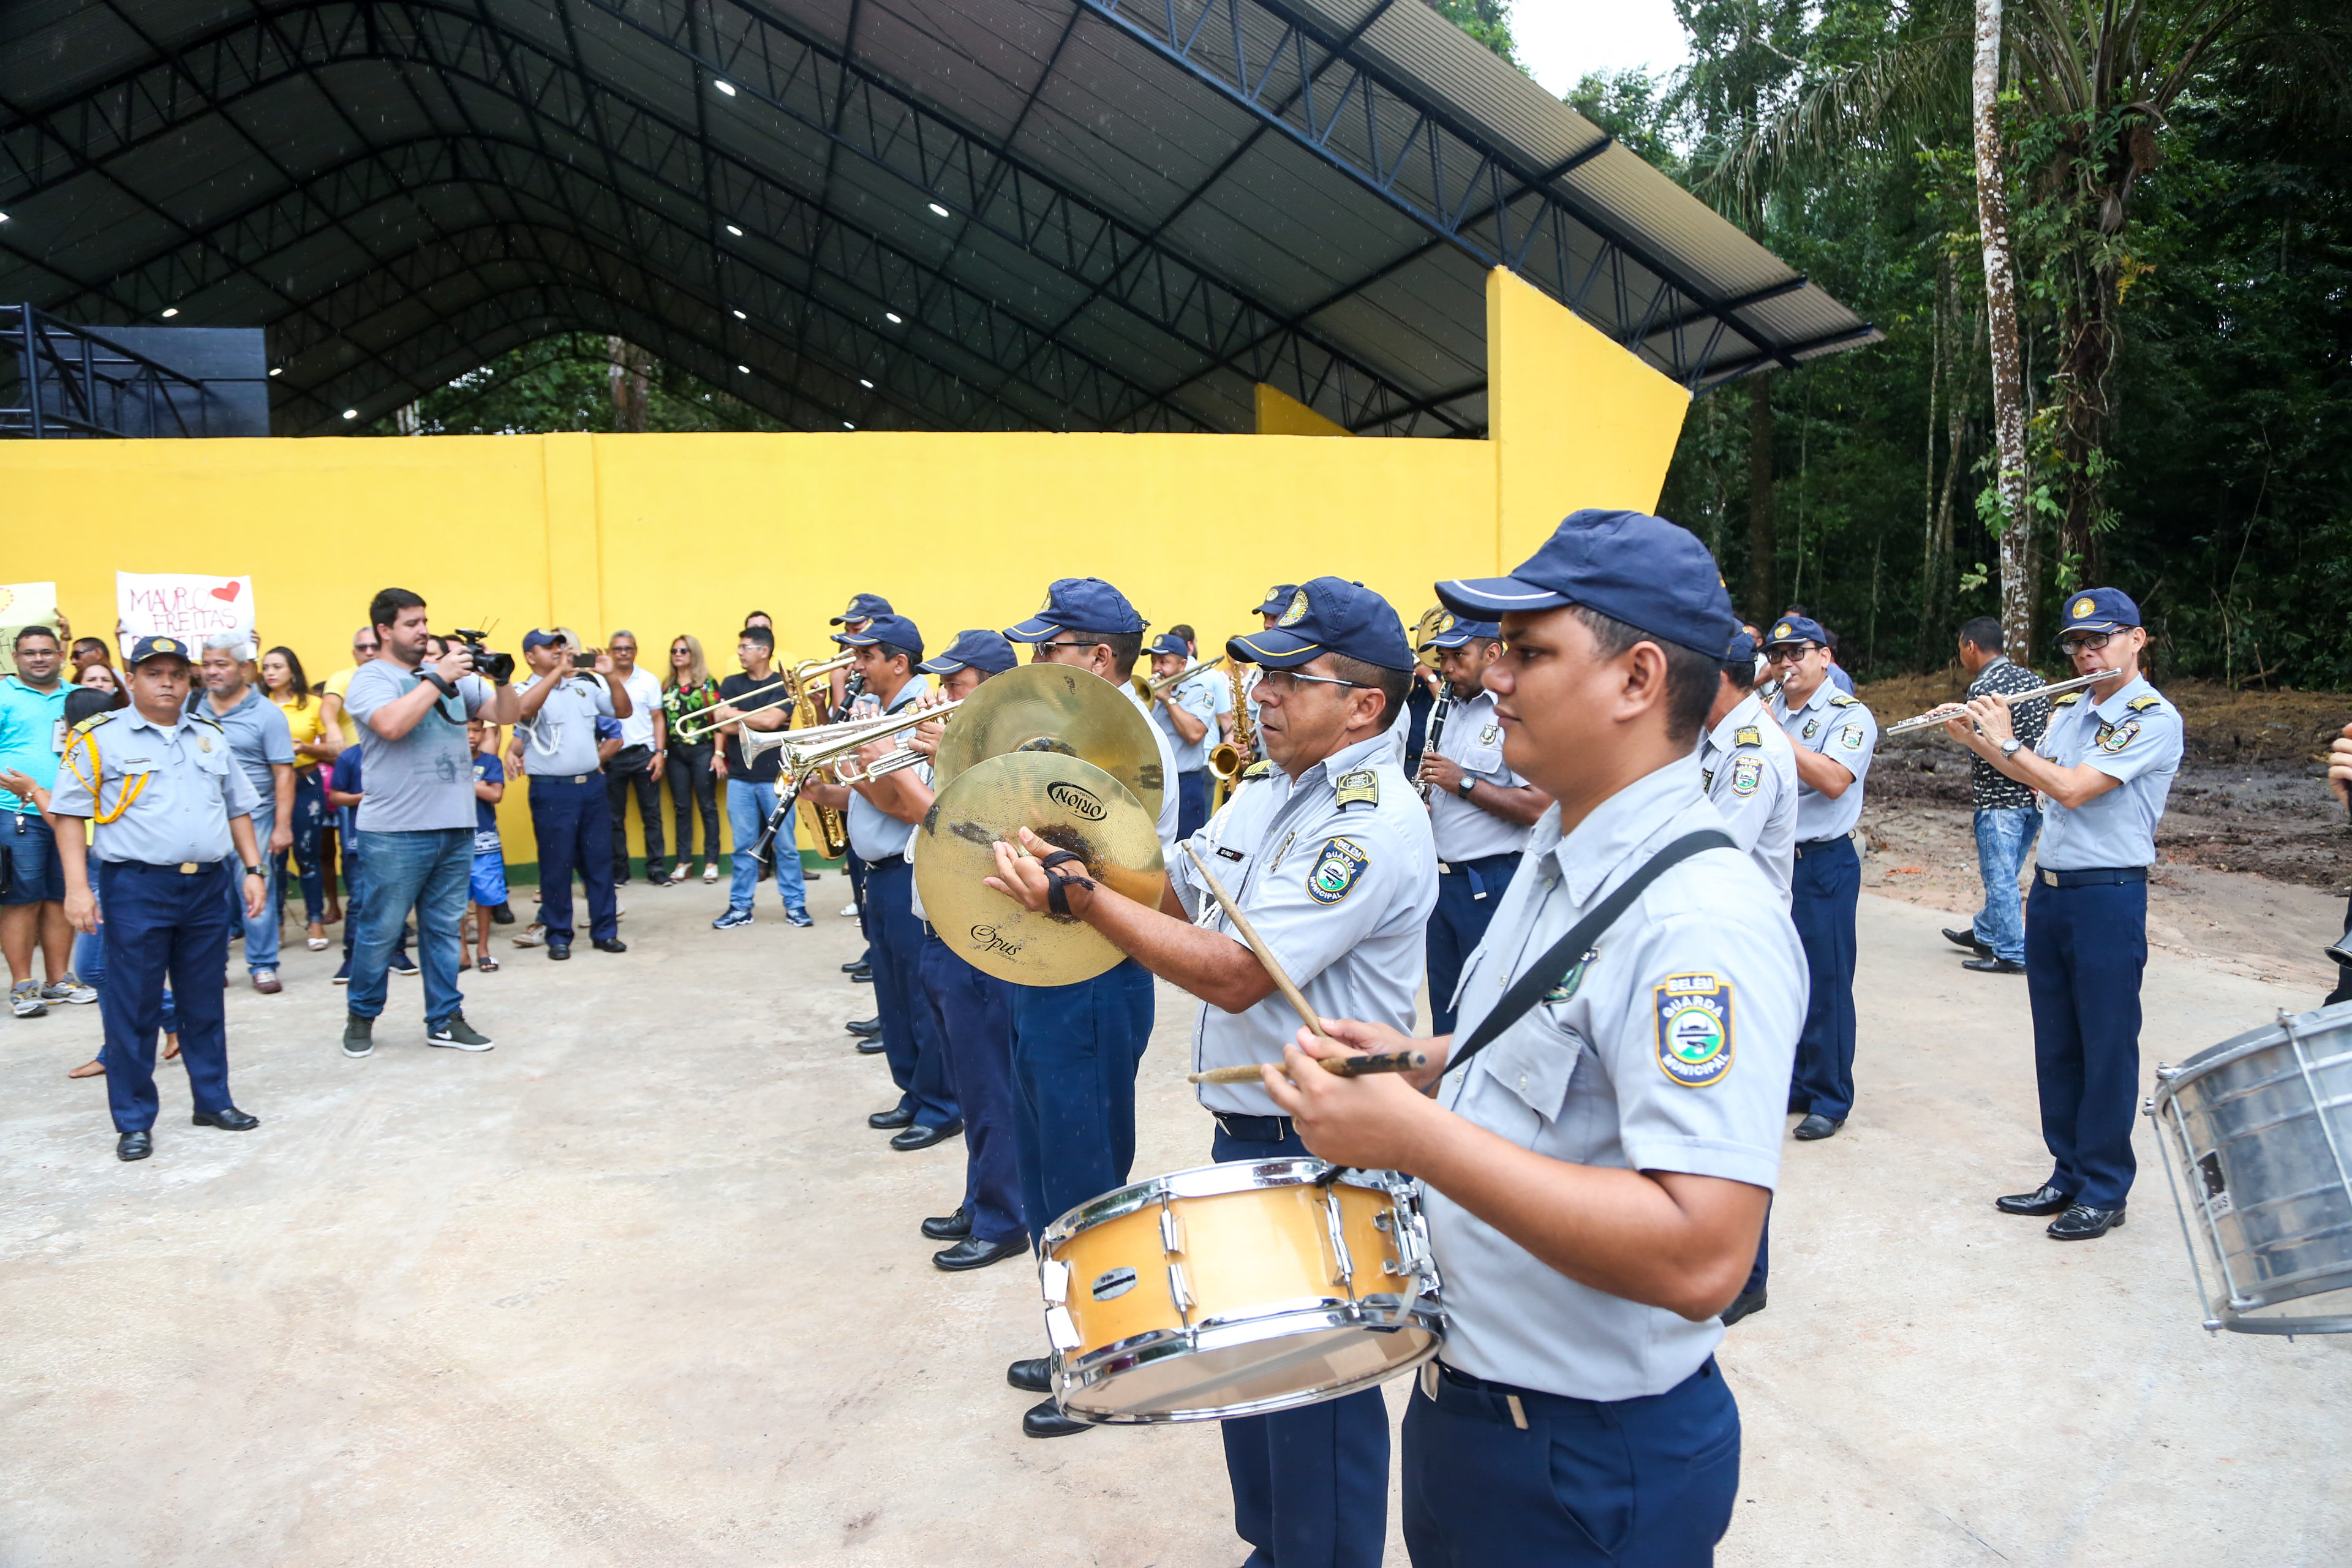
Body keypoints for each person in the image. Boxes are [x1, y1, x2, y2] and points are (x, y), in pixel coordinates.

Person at [1263, 510, 1803, 1568]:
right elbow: (1549, 1057)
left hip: (1582, 1459)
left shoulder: (1697, 919)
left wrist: (1411, 1137)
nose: (1495, 678)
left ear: (1639, 678)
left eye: (1530, 652)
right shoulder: (1568, 846)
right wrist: (1413, 1063)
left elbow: (1703, 1253)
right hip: (1479, 1415)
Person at [986, 575, 1434, 1553]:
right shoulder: (1270, 790)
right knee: (1255, 1385)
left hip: (1327, 1144)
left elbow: (1237, 975)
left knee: (1316, 1399)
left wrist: (1082, 901)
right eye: (1264, 674)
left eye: (1291, 679)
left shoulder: (1366, 822)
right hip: (1254, 1132)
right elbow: (1180, 893)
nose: (1262, 693)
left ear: (1364, 705)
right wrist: (1078, 853)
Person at [990, 576, 1181, 1441]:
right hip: (1051, 968)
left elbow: (1104, 862)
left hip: (1097, 973)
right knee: (1045, 1171)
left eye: (1052, 647)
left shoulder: (1122, 743)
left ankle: (1115, 1367)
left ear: (1099, 658)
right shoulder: (1072, 733)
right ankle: (1074, 1340)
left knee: (1085, 1177)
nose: (1036, 661)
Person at [1951, 589, 2182, 1242]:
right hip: (2053, 892)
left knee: (2105, 1044)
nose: (2085, 653)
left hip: (2107, 894)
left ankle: (2105, 1188)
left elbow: (2074, 789)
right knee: (2057, 1043)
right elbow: (2038, 779)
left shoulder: (2151, 716)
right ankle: (2068, 1171)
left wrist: (2004, 738)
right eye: (2077, 644)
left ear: (2136, 640)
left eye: (2099, 639)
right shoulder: (2073, 708)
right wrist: (1975, 737)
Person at [48, 636, 277, 1162]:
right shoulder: (99, 737)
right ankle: (133, 1121)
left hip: (206, 886)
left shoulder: (209, 736)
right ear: (131, 680)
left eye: (176, 673)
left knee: (204, 1001)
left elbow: (238, 807)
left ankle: (213, 1101)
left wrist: (253, 869)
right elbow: (70, 815)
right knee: (134, 1005)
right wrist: (78, 889)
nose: (167, 683)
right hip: (137, 887)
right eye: (154, 674)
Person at [804, 614, 961, 1145]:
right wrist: (827, 791)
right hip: (878, 871)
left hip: (908, 868)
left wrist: (857, 767)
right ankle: (913, 1093)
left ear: (898, 663)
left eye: (866, 656)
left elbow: (903, 805)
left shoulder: (920, 716)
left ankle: (940, 1106)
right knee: (892, 995)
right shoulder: (878, 710)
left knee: (920, 999)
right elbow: (873, 796)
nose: (856, 666)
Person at [900, 630, 1028, 1270]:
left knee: (990, 1087)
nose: (942, 693)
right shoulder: (960, 743)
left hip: (974, 940)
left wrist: (946, 761)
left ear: (991, 689)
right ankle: (980, 1200)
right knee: (970, 1086)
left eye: (956, 683)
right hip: (937, 933)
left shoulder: (1010, 754)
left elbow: (982, 834)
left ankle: (1004, 1217)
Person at [340, 589, 516, 1057]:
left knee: (443, 929)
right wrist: (439, 677)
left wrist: (501, 680)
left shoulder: (447, 677)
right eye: (412, 623)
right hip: (394, 832)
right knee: (381, 931)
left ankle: (445, 1019)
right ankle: (361, 1016)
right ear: (384, 631)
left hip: (455, 826)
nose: (423, 630)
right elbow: (391, 725)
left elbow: (509, 714)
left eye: (425, 621)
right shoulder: (371, 678)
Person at [1764, 613, 1877, 1142]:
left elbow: (1833, 779)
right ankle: (1797, 1082)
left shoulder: (1848, 715)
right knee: (1781, 979)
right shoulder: (1770, 708)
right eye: (1777, 655)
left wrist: (1770, 733)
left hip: (1822, 860)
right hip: (1775, 861)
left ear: (1825, 658)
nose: (1786, 663)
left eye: (1797, 653)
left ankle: (1830, 1096)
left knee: (1825, 981)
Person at [1414, 612, 1550, 1035]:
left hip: (1491, 881)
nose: (1447, 668)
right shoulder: (1445, 706)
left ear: (1492, 653)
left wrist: (1464, 783)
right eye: (1442, 658)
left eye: (1459, 656)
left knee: (1489, 1015)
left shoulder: (1517, 710)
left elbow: (1540, 806)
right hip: (1442, 884)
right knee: (1446, 1017)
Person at [1936, 616, 2048, 976]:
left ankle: (2011, 952)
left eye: (1961, 649)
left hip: (1998, 800)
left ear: (1971, 647)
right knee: (2007, 873)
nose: (1961, 657)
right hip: (2035, 794)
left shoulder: (1984, 688)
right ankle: (1986, 932)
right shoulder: (2034, 680)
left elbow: (1989, 745)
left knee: (2000, 879)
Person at [510, 630, 629, 962]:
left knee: (599, 863)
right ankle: (559, 935)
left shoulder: (584, 686)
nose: (557, 651)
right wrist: (557, 673)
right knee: (556, 866)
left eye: (560, 646)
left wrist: (611, 677)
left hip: (591, 786)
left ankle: (605, 932)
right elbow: (523, 711)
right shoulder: (523, 689)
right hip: (553, 789)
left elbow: (622, 711)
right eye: (548, 647)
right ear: (530, 656)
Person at [192, 635, 296, 993]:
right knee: (208, 896)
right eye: (207, 664)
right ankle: (212, 965)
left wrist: (282, 826)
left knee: (257, 888)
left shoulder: (267, 714)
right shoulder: (192, 707)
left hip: (256, 817)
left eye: (221, 664)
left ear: (244, 667)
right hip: (205, 818)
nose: (212, 671)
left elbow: (284, 774)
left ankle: (263, 965)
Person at [1, 625, 89, 1017]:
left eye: (47, 652)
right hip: (16, 812)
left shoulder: (77, 697)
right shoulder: (3, 695)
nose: (39, 659)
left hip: (71, 814)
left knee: (58, 897)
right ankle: (23, 985)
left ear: (61, 656)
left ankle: (59, 980)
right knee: (21, 899)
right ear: (16, 658)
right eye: (30, 653)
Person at [707, 626, 813, 930]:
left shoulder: (781, 684)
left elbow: (773, 720)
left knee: (786, 846)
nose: (739, 653)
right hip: (740, 778)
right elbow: (722, 725)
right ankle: (740, 907)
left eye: (745, 647)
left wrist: (734, 714)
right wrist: (744, 720)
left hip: (776, 777)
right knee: (742, 847)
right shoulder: (731, 683)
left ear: (763, 651)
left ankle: (796, 905)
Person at [262, 646, 337, 953]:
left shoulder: (314, 704)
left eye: (277, 666)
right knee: (274, 858)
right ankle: (277, 923)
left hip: (306, 782)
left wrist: (305, 747)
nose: (270, 673)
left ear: (292, 671)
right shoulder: (257, 705)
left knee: (308, 855)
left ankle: (315, 920)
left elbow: (333, 749)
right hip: (267, 787)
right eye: (266, 667)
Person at [326, 739, 413, 985]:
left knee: (397, 896)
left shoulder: (403, 751)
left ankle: (397, 952)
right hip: (359, 840)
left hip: (398, 837)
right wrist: (362, 798)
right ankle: (353, 956)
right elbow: (336, 796)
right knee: (359, 899)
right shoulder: (350, 757)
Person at [316, 625, 377, 927]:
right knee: (354, 851)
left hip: (395, 769)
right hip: (355, 774)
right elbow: (329, 707)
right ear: (354, 653)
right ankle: (361, 918)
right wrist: (333, 727)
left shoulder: (398, 676)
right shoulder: (343, 678)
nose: (369, 652)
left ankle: (394, 922)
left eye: (374, 646)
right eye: (362, 648)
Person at [600, 630, 668, 888]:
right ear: (610, 652)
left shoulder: (648, 680)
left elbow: (658, 718)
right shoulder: (599, 681)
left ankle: (656, 869)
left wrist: (660, 753)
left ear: (635, 651)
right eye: (618, 649)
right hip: (611, 755)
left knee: (652, 815)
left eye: (628, 648)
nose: (623, 653)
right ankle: (620, 871)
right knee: (613, 818)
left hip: (643, 755)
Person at [660, 635, 724, 885]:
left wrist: (719, 754)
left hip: (703, 749)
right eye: (674, 651)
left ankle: (711, 862)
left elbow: (718, 720)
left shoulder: (707, 684)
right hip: (676, 752)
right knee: (681, 808)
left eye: (683, 651)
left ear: (693, 654)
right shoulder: (667, 685)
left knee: (707, 806)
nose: (678, 655)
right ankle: (683, 861)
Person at [1144, 631, 1219, 842]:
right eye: (1154, 661)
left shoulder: (1200, 692)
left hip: (1185, 783)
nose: (1157, 668)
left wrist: (1168, 700)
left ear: (1182, 664)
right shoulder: (1148, 692)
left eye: (1164, 662)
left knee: (1184, 845)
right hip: (1152, 781)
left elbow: (1194, 734)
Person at [466, 719, 507, 974]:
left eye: (477, 730)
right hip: (452, 843)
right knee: (455, 899)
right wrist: (480, 787)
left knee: (486, 896)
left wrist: (465, 784)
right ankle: (460, 950)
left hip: (484, 842)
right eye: (466, 731)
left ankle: (483, 949)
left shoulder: (491, 762)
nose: (472, 736)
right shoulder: (445, 763)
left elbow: (495, 795)